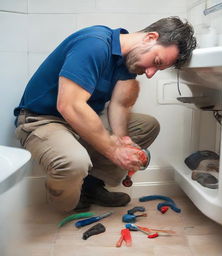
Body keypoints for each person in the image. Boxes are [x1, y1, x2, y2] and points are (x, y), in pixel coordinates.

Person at [14, 16, 196, 212]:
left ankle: (90, 187)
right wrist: (113, 151)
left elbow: (119, 105)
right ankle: (66, 204)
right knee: (74, 162)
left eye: (158, 69)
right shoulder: (94, 44)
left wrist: (122, 139)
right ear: (150, 37)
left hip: (77, 121)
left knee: (147, 125)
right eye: (156, 61)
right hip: (43, 119)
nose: (151, 73)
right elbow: (70, 105)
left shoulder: (130, 61)